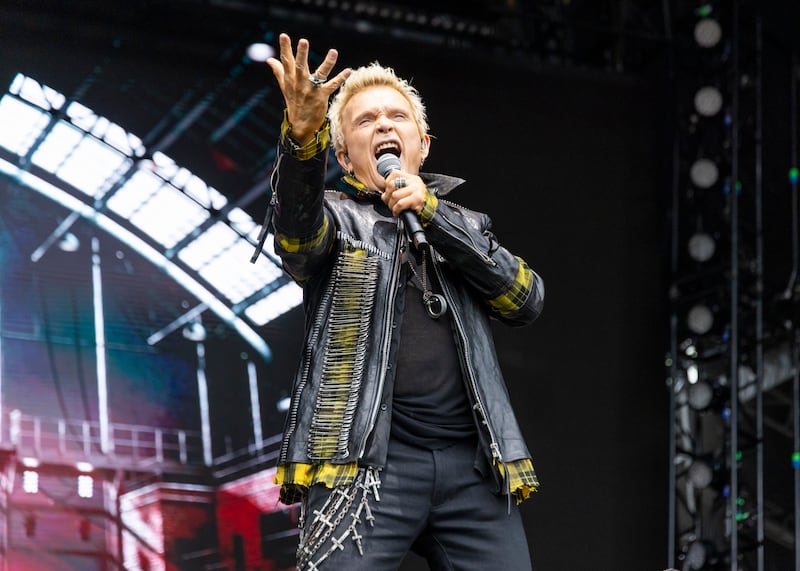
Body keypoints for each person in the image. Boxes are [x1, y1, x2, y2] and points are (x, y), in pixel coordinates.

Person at [262, 33, 545, 570]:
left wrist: (435, 216)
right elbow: (297, 241)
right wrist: (302, 139)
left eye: (397, 117)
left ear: (424, 145)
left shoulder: (463, 226)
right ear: (344, 155)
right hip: (364, 463)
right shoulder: (337, 218)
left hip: (472, 470)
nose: (384, 125)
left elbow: (524, 299)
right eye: (365, 121)